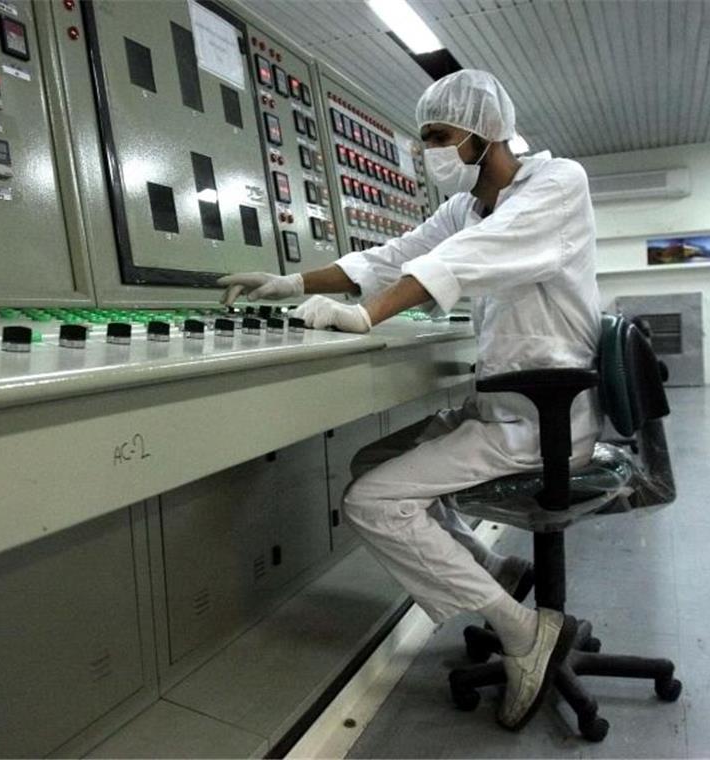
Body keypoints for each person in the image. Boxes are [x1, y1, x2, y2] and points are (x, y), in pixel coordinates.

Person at [217, 69, 602, 731]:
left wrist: (366, 319)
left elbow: (462, 261)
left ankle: (521, 631)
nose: (427, 150)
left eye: (438, 135)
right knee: (370, 464)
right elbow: (395, 258)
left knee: (369, 503)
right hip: (504, 406)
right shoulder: (466, 207)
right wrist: (288, 282)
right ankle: (496, 572)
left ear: (484, 133)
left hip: (544, 417)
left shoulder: (556, 184)